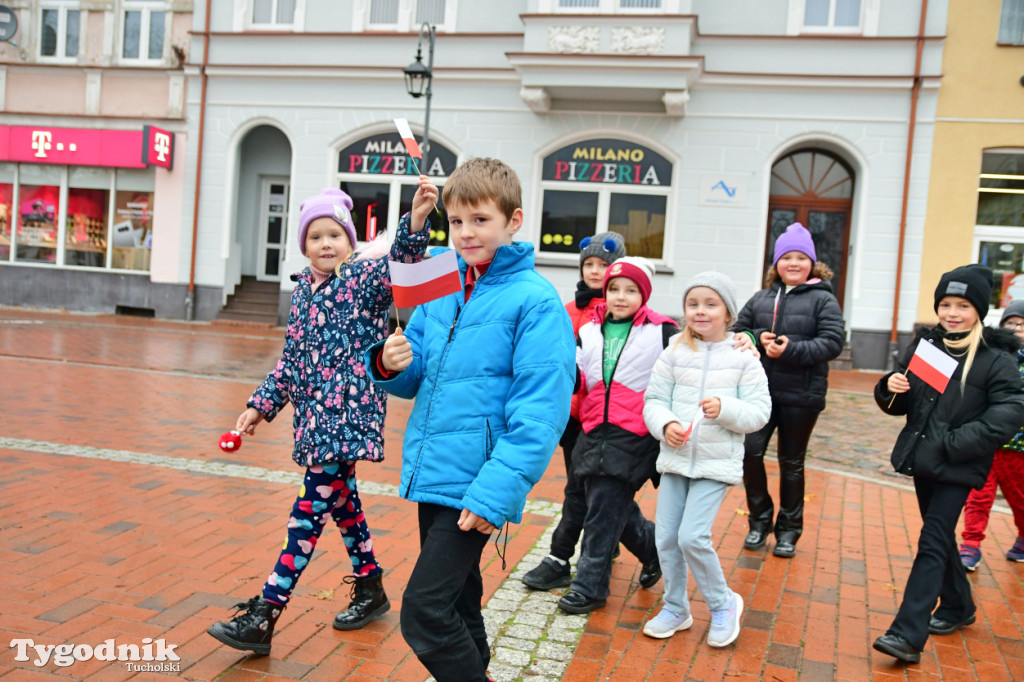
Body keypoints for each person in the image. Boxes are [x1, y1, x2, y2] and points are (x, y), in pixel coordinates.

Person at [368, 157, 576, 682]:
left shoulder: (536, 301)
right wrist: (388, 364)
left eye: (480, 220)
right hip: (435, 469)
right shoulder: (441, 282)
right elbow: (415, 374)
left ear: (514, 220)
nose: (465, 233)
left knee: (424, 613)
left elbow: (539, 414)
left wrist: (494, 495)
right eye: (457, 221)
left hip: (477, 483)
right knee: (459, 605)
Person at [206, 181, 435, 655]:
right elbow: (290, 364)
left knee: (306, 516)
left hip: (348, 417)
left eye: (335, 235)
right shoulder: (303, 297)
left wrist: (414, 222)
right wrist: (258, 406)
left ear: (350, 241)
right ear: (304, 245)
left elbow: (405, 264)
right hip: (315, 421)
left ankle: (265, 613)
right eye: (316, 236)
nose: (326, 244)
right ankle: (371, 588)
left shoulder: (363, 280)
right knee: (343, 505)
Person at [872, 264, 1024, 664]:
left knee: (932, 540)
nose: (952, 312)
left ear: (978, 309)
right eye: (945, 304)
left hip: (959, 463)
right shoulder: (929, 347)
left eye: (962, 305)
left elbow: (1011, 411)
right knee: (937, 537)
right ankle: (958, 605)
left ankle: (906, 633)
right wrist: (889, 386)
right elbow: (907, 405)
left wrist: (958, 443)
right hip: (925, 460)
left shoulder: (995, 356)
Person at [642, 272, 771, 647]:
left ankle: (723, 604)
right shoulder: (674, 351)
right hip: (675, 460)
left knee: (692, 537)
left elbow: (759, 412)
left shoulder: (744, 357)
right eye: (693, 304)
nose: (700, 311)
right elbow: (653, 401)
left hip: (716, 464)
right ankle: (676, 607)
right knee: (666, 537)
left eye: (710, 304)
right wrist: (665, 424)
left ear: (728, 313)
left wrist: (725, 408)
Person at [555, 257, 678, 614]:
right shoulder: (589, 330)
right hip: (593, 428)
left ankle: (589, 587)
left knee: (603, 509)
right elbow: (577, 376)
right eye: (613, 289)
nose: (620, 297)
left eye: (631, 290)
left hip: (636, 431)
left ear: (645, 295)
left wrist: (745, 339)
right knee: (605, 505)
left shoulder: (662, 330)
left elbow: (694, 361)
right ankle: (654, 549)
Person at [521, 231, 626, 591]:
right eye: (590, 265)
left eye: (604, 265)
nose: (596, 271)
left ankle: (579, 553)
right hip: (573, 418)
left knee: (596, 490)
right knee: (582, 487)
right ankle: (601, 546)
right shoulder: (568, 310)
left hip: (606, 420)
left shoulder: (619, 314)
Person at [734, 222, 844, 558]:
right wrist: (756, 337)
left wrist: (790, 349)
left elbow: (834, 342)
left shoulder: (824, 300)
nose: (793, 263)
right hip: (760, 393)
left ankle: (789, 530)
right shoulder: (761, 297)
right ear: (776, 263)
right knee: (750, 453)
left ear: (812, 263)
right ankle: (759, 520)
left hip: (802, 395)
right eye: (786, 257)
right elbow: (738, 329)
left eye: (800, 257)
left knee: (791, 463)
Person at [959, 298, 1024, 570]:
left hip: (1018, 448)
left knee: (1019, 497)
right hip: (986, 442)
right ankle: (970, 546)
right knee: (978, 495)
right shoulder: (992, 356)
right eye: (1012, 323)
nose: (1017, 329)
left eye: (1022, 324)